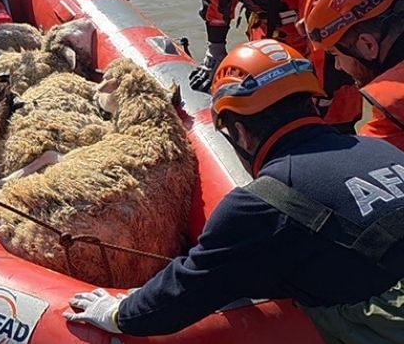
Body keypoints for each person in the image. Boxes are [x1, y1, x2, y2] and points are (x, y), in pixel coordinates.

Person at [66, 39, 404, 344]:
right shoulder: (384, 151)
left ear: (239, 132)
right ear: (311, 104)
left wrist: (117, 314)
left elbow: (186, 292)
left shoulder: (263, 203)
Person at [189, 0, 371, 134]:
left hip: (333, 39)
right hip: (272, 25)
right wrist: (215, 50)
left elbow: (327, 37)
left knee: (334, 111)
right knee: (264, 110)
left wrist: (319, 99)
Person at [300, 0, 404, 151]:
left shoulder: (392, 120)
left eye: (335, 55)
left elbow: (357, 167)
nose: (338, 66)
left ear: (368, 45)